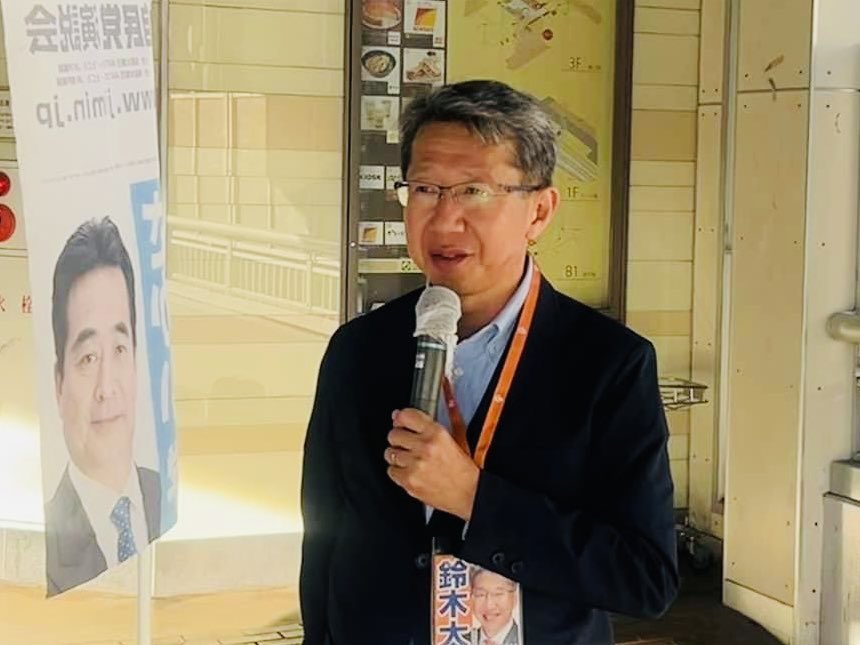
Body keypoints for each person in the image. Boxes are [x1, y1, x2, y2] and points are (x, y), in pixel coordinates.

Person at [300, 80, 677, 644]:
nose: (444, 220)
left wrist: (475, 499)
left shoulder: (608, 363)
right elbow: (323, 539)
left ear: (539, 211)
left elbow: (645, 577)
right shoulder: (359, 349)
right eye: (425, 189)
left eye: (474, 191)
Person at [45, 216, 161, 597]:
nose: (107, 388)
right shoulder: (49, 542)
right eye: (89, 358)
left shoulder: (163, 495)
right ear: (59, 384)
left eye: (120, 349)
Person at [470, 567, 521, 645]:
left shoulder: (527, 636)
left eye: (498, 594)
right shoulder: (459, 640)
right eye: (480, 595)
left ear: (514, 598)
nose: (489, 605)